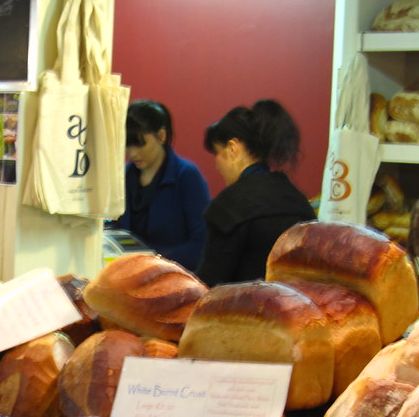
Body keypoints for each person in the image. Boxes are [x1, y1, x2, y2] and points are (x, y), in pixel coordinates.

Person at [196, 99, 315, 286]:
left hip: (245, 303)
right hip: (297, 301)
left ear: (233, 148)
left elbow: (210, 282)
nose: (217, 165)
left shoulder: (229, 206)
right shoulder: (298, 200)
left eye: (217, 153)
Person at [113, 100, 210, 272]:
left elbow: (201, 243)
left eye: (140, 144)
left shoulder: (186, 175)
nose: (133, 153)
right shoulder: (124, 176)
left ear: (162, 136)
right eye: (128, 145)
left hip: (175, 276)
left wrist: (155, 263)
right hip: (130, 274)